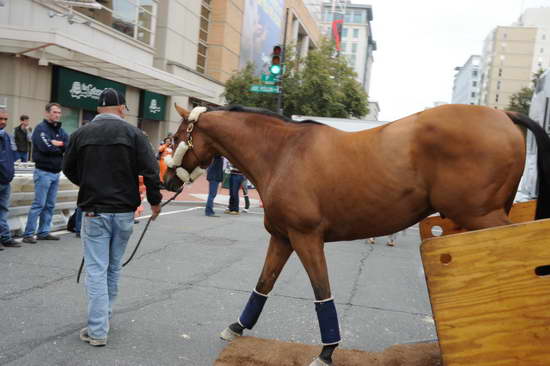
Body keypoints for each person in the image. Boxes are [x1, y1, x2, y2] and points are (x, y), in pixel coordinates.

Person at [62, 88, 162, 347]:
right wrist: (155, 202)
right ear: (121, 109)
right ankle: (103, 319)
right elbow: (151, 171)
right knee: (114, 268)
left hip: (94, 210)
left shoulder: (80, 134)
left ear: (97, 109)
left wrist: (87, 183)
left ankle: (97, 330)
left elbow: (68, 168)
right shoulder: (135, 134)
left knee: (96, 270)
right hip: (124, 211)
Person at [22, 103, 68, 244]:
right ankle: (28, 234)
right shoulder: (40, 129)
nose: (57, 115)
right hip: (43, 172)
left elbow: (69, 144)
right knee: (39, 204)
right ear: (47, 113)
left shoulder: (61, 130)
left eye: (59, 112)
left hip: (55, 173)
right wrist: (58, 146)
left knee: (50, 205)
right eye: (54, 112)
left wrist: (58, 144)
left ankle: (43, 232)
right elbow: (45, 148)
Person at [0, 108, 21, 249]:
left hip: (5, 180)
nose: (3, 121)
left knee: (4, 210)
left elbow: (10, 157)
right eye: (0, 118)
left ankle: (5, 237)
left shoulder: (6, 136)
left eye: (5, 119)